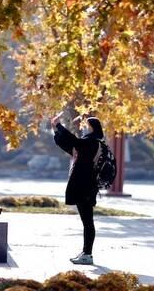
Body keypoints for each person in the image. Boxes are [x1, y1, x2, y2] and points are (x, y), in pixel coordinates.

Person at [51, 112, 104, 265]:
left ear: (93, 128)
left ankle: (87, 254)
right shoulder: (87, 144)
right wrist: (55, 130)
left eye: (87, 126)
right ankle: (86, 252)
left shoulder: (92, 143)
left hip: (86, 188)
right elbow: (66, 144)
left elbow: (73, 140)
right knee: (86, 221)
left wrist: (59, 125)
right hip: (85, 187)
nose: (85, 129)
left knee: (88, 221)